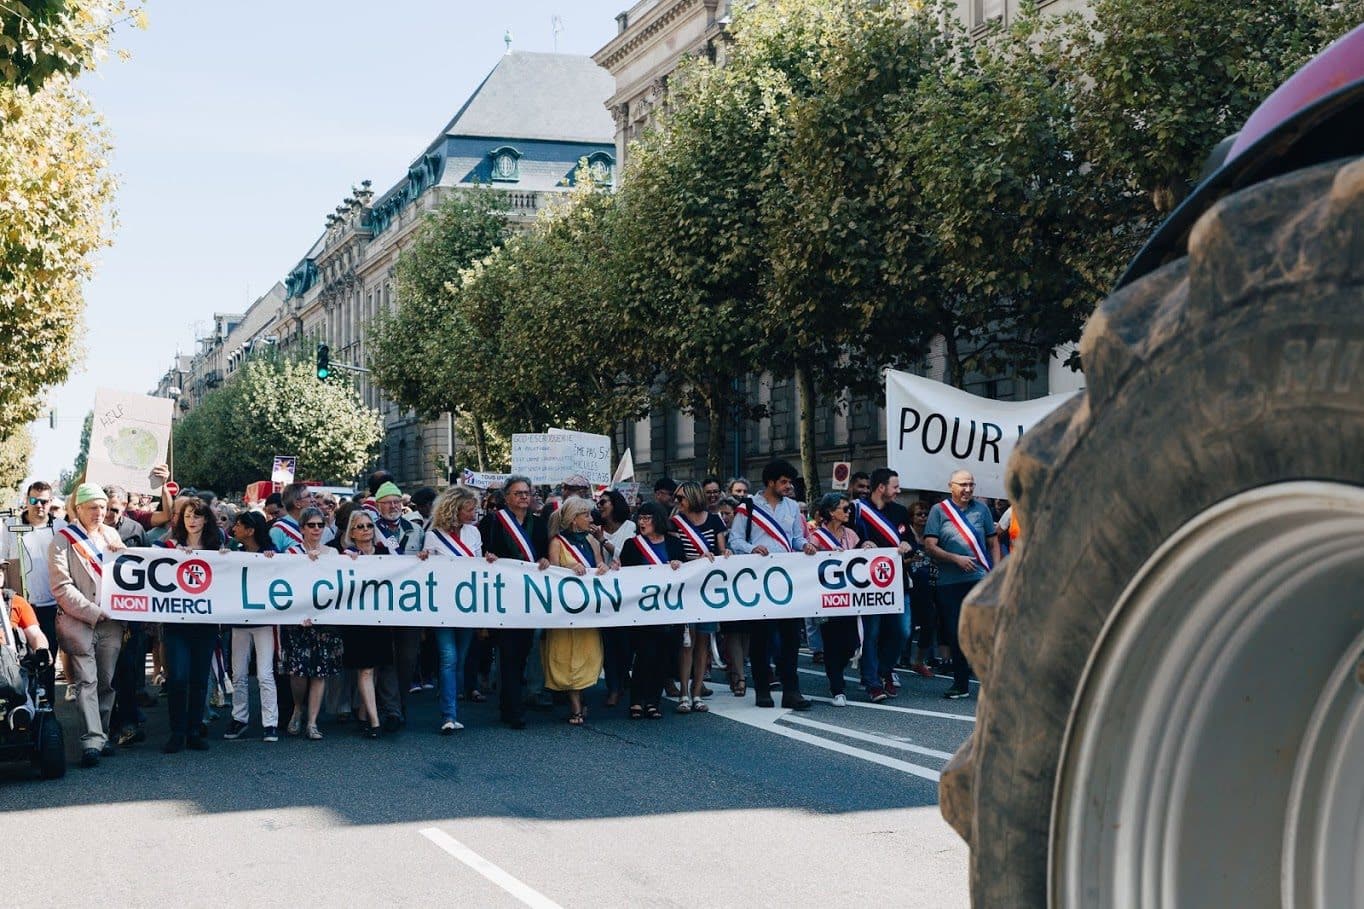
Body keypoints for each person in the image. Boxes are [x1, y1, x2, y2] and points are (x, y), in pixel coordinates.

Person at [47, 483, 127, 767]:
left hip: (112, 623)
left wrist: (123, 554)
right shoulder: (63, 540)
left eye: (103, 507)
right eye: (93, 507)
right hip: (79, 621)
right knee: (86, 681)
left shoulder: (112, 534)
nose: (99, 512)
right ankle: (91, 740)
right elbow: (61, 587)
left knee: (105, 680)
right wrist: (92, 611)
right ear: (77, 508)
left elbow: (127, 575)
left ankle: (102, 734)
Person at [729, 458, 816, 710]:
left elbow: (796, 538)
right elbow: (735, 539)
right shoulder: (749, 507)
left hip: (787, 578)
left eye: (789, 482)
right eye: (784, 482)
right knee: (761, 636)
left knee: (790, 636)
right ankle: (763, 689)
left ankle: (792, 690)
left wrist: (805, 546)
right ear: (770, 482)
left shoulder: (792, 508)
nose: (788, 486)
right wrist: (751, 548)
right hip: (759, 578)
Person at [923, 469, 999, 699]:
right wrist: (955, 558)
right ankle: (961, 683)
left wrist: (997, 572)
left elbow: (993, 541)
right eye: (963, 485)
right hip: (949, 582)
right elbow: (930, 545)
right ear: (951, 486)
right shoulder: (939, 511)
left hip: (979, 579)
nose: (967, 489)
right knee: (957, 633)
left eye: (971, 485)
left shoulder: (982, 509)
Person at [481, 475, 549, 730]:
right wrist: (488, 557)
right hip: (503, 595)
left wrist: (544, 561)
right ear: (507, 497)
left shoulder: (538, 524)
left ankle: (509, 703)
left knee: (523, 650)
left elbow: (543, 553)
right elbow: (482, 552)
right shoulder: (493, 522)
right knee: (508, 651)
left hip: (529, 597)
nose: (524, 497)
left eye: (527, 493)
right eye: (518, 493)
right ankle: (513, 708)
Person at [159, 497, 223, 754]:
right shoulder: (168, 545)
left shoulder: (218, 546)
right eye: (187, 516)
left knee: (198, 679)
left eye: (197, 516)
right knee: (177, 678)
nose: (192, 521)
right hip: (176, 623)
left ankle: (195, 730)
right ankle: (177, 732)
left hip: (205, 623)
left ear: (205, 519)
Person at [280, 507, 344, 738]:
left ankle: (313, 722)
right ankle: (298, 707)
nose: (316, 529)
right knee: (298, 673)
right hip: (298, 620)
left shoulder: (333, 553)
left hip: (324, 621)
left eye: (320, 525)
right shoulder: (291, 553)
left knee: (320, 673)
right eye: (311, 525)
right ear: (302, 528)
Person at [423, 486, 482, 735]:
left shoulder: (474, 533)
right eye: (469, 509)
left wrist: (487, 560)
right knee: (449, 657)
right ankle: (449, 713)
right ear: (454, 509)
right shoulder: (434, 536)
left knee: (460, 657)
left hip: (468, 603)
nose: (474, 513)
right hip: (443, 603)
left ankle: (452, 698)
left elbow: (478, 565)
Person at [544, 497, 608, 726]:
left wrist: (602, 567)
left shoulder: (591, 540)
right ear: (574, 519)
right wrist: (568, 567)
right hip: (565, 611)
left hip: (587, 610)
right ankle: (575, 705)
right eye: (587, 515)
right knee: (566, 655)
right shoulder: (557, 543)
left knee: (587, 654)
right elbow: (552, 573)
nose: (591, 519)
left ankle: (581, 697)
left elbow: (601, 565)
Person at [854, 468, 915, 702]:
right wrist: (862, 544)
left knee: (902, 631)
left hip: (898, 582)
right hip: (868, 585)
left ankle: (884, 669)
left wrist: (908, 546)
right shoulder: (857, 510)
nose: (899, 491)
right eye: (895, 486)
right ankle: (872, 682)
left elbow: (910, 540)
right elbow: (848, 538)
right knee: (871, 633)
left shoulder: (899, 511)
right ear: (881, 487)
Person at [620, 502, 684, 720]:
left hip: (668, 609)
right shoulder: (632, 545)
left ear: (658, 519)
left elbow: (687, 572)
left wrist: (678, 564)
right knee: (644, 655)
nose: (642, 522)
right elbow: (625, 574)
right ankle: (637, 700)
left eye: (647, 518)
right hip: (642, 609)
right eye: (640, 518)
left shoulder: (674, 544)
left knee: (662, 656)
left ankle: (653, 701)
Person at [669, 480, 728, 714]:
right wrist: (695, 560)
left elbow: (722, 551)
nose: (677, 502)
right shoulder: (675, 522)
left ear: (692, 497)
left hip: (708, 588)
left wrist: (726, 554)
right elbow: (675, 555)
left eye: (681, 498)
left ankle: (697, 691)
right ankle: (683, 691)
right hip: (686, 587)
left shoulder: (714, 520)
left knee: (703, 641)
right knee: (687, 641)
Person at [371, 480, 425, 729]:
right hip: (380, 603)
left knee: (407, 657)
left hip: (410, 604)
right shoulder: (372, 529)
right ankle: (392, 709)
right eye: (387, 502)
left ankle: (400, 702)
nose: (393, 506)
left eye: (396, 501)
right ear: (378, 505)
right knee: (386, 657)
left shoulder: (416, 530)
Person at [2, 480, 63, 697]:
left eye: (44, 501)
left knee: (46, 658)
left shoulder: (60, 527)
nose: (39, 505)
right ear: (27, 500)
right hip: (19, 606)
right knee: (17, 659)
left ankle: (46, 711)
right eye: (34, 500)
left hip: (51, 606)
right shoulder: (9, 525)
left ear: (50, 502)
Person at [223, 511, 280, 743]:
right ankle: (240, 718)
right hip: (240, 621)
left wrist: (272, 559)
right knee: (239, 674)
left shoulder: (271, 553)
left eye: (238, 525)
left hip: (263, 620)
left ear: (250, 530)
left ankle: (271, 722)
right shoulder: (234, 553)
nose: (234, 528)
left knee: (265, 674)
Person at [337, 508, 392, 740]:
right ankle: (375, 721)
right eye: (360, 526)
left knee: (375, 667)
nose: (366, 530)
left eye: (369, 526)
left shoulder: (385, 552)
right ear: (352, 531)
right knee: (366, 669)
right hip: (357, 618)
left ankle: (362, 712)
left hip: (380, 617)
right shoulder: (345, 556)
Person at [809, 494, 861, 705]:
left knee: (850, 644)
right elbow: (807, 560)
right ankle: (837, 688)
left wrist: (865, 548)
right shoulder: (816, 537)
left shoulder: (851, 535)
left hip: (849, 598)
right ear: (831, 512)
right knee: (831, 643)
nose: (848, 512)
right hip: (826, 599)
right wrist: (810, 551)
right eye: (844, 509)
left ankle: (837, 674)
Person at [593, 489, 635, 707]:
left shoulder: (630, 527)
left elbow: (627, 554)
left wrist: (603, 541)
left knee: (626, 641)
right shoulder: (596, 529)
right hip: (605, 593)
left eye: (604, 502)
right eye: (598, 503)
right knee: (609, 641)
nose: (600, 506)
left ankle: (624, 677)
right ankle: (613, 687)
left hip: (626, 592)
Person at [903, 500, 939, 679]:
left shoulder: (931, 534)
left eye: (926, 514)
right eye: (919, 514)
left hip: (927, 584)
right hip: (908, 584)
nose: (923, 517)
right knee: (906, 626)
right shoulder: (905, 534)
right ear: (912, 517)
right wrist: (910, 560)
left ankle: (919, 660)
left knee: (928, 623)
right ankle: (901, 657)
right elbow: (895, 560)